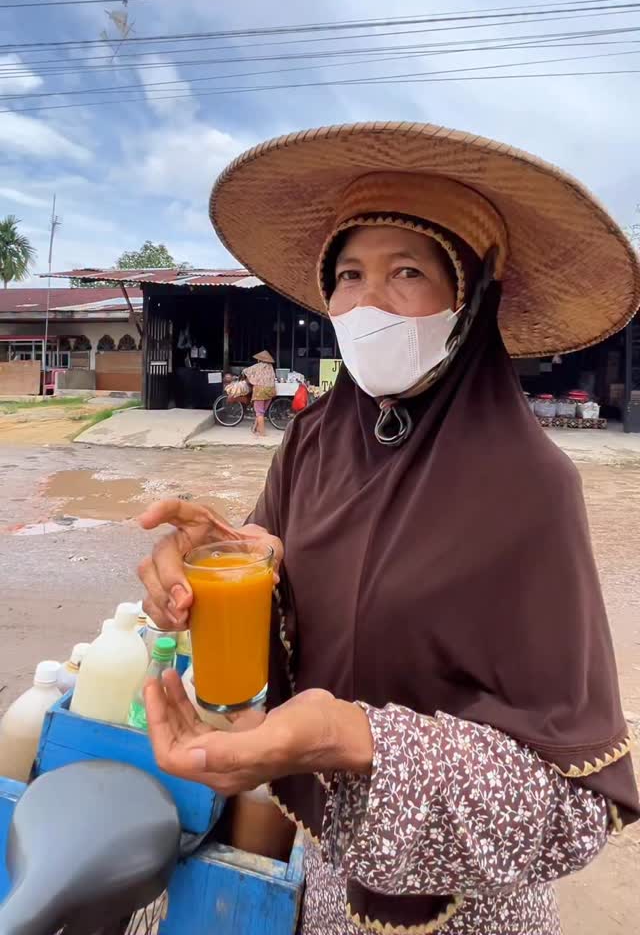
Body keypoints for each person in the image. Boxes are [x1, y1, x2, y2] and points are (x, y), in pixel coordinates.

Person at [138, 122, 640, 935]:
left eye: (406, 272)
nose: (366, 303)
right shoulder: (312, 440)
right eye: (348, 274)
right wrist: (221, 569)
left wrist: (352, 737)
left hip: (477, 912)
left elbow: (571, 801)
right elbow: (280, 592)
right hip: (332, 881)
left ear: (472, 301)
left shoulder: (532, 487)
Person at [242, 350, 277, 436]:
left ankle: (262, 433)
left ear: (259, 360)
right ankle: (255, 428)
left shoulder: (257, 366)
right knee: (262, 412)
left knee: (259, 413)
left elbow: (245, 371)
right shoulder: (271, 367)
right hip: (270, 392)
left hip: (260, 392)